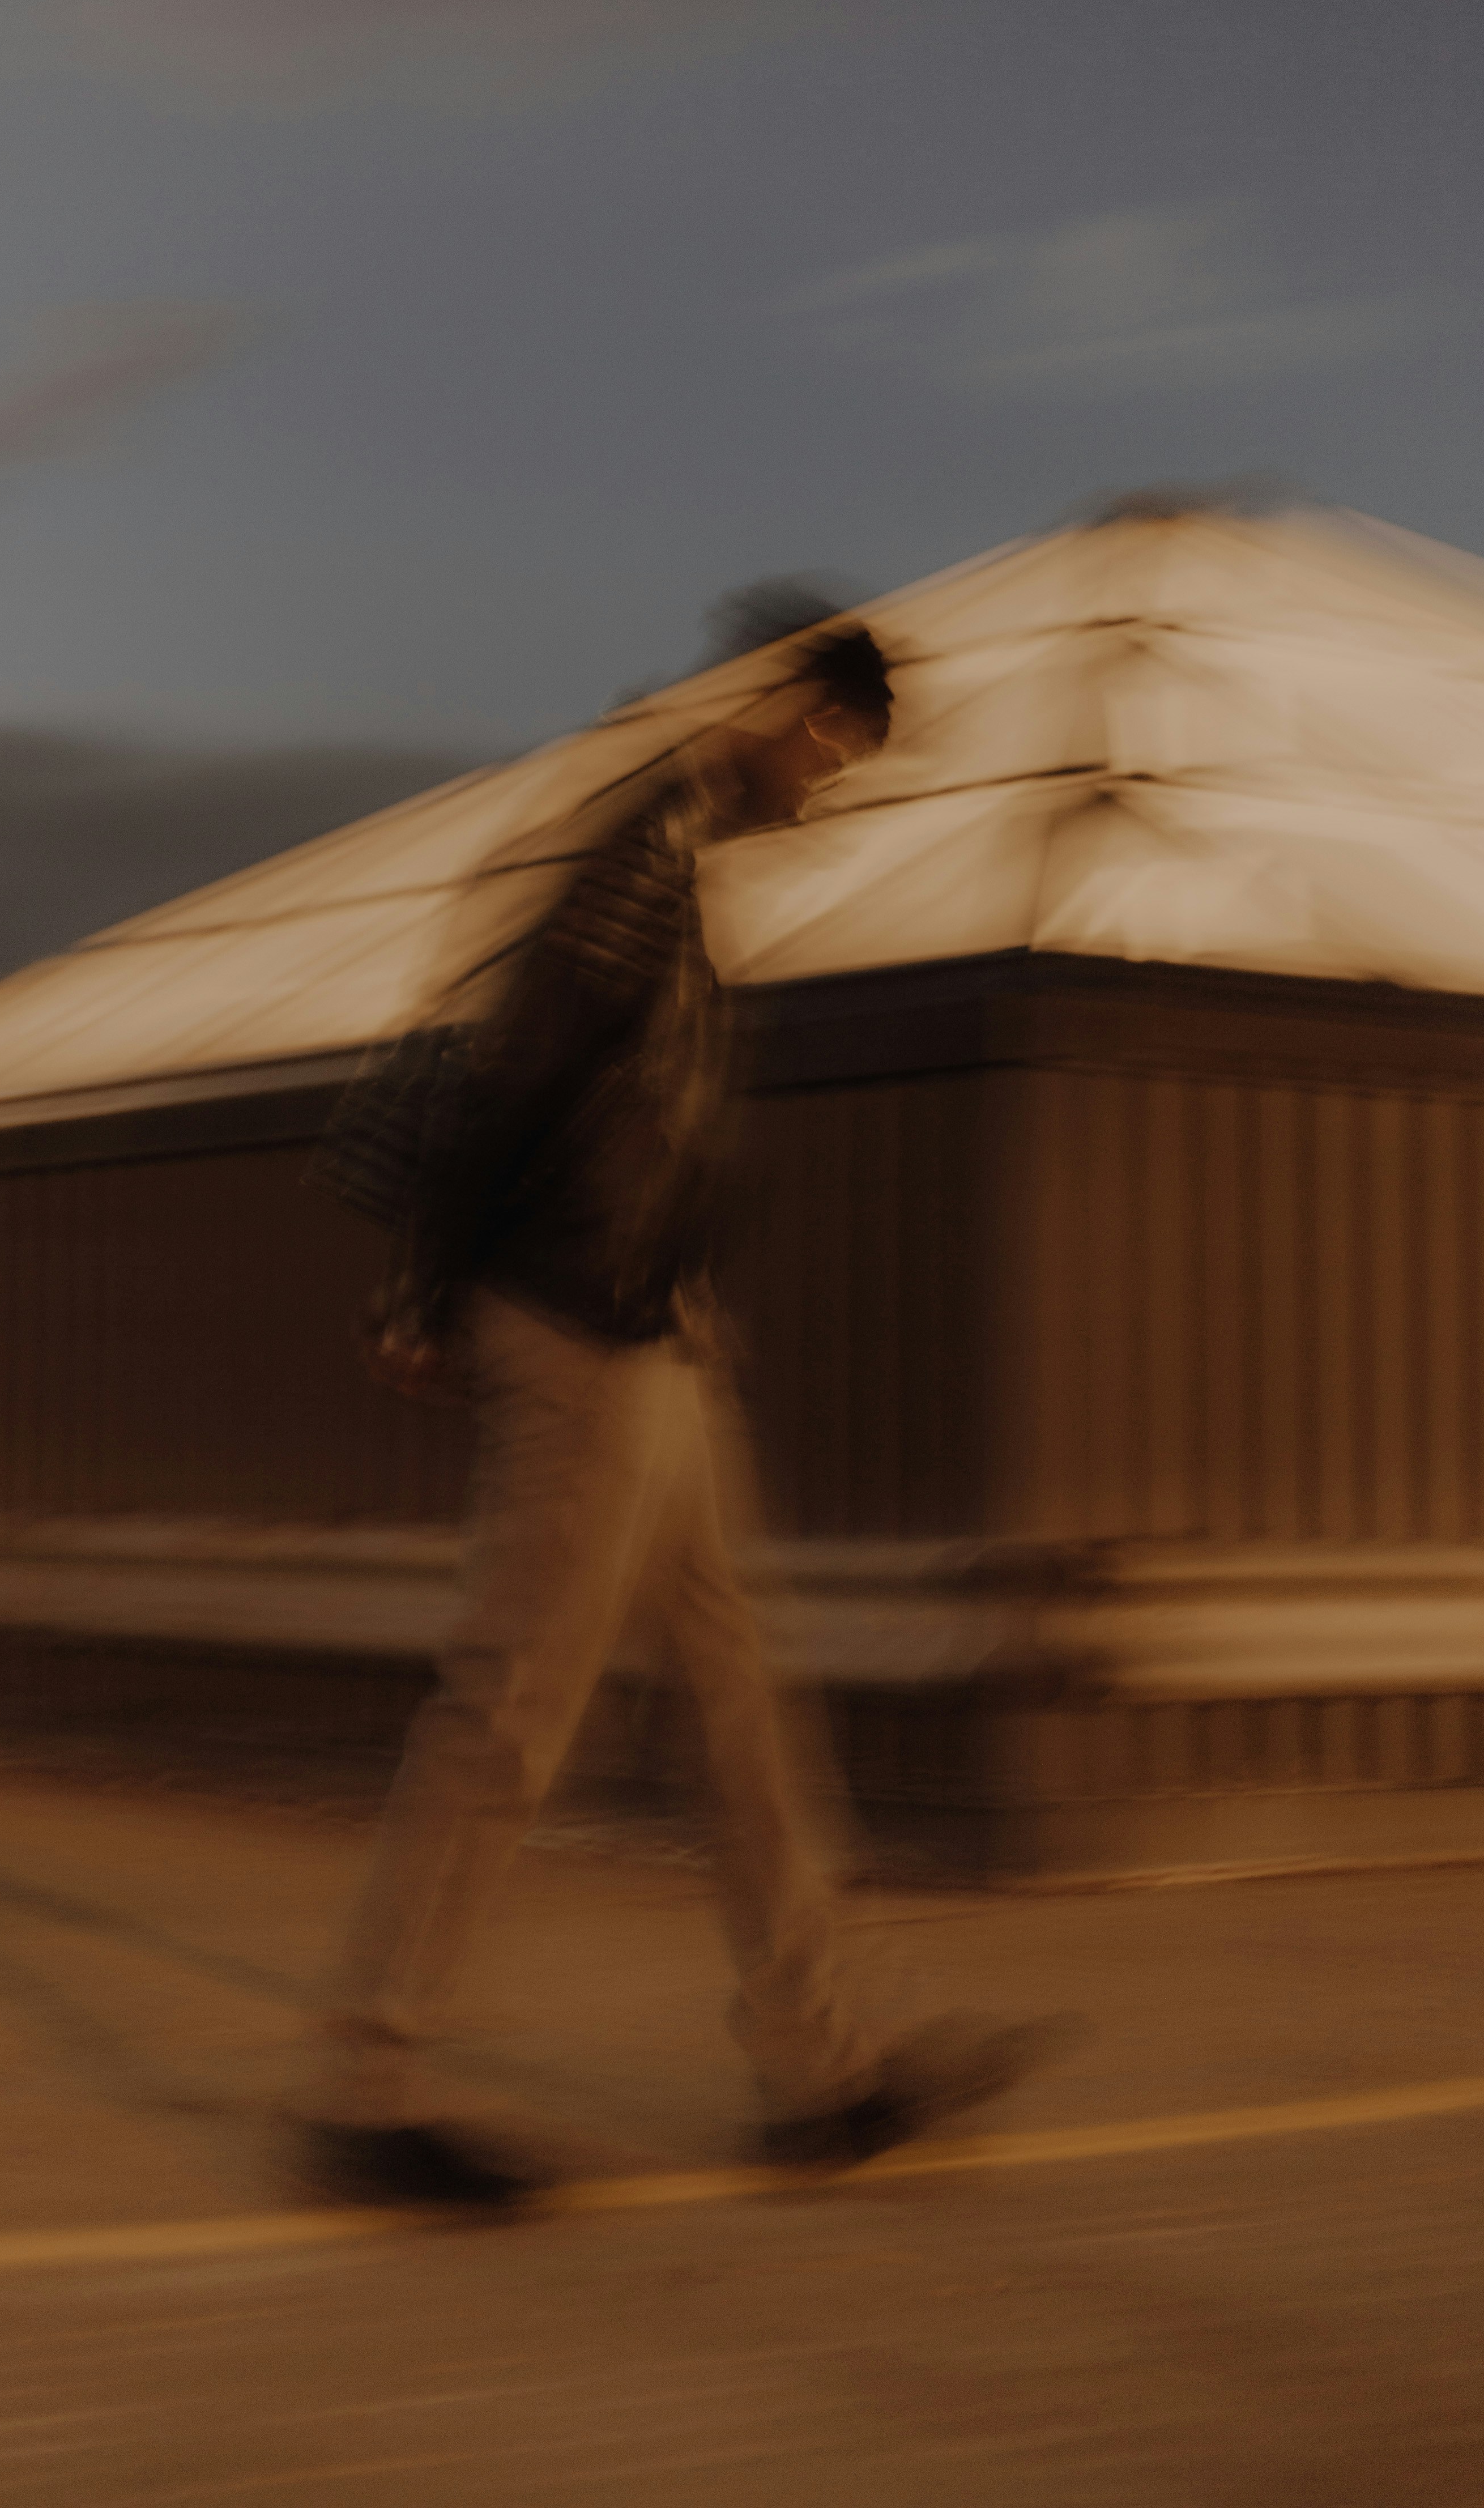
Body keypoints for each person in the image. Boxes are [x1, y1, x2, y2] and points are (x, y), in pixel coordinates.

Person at [299, 624, 1017, 2208]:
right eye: (834, 754)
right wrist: (422, 1290)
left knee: (743, 1717)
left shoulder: (671, 862)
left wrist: (679, 1286)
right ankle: (365, 2086)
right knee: (511, 1712)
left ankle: (822, 2069)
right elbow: (517, 1083)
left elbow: (637, 1114)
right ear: (780, 710)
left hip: (651, 1336)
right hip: (577, 1334)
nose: (827, 796)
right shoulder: (636, 854)